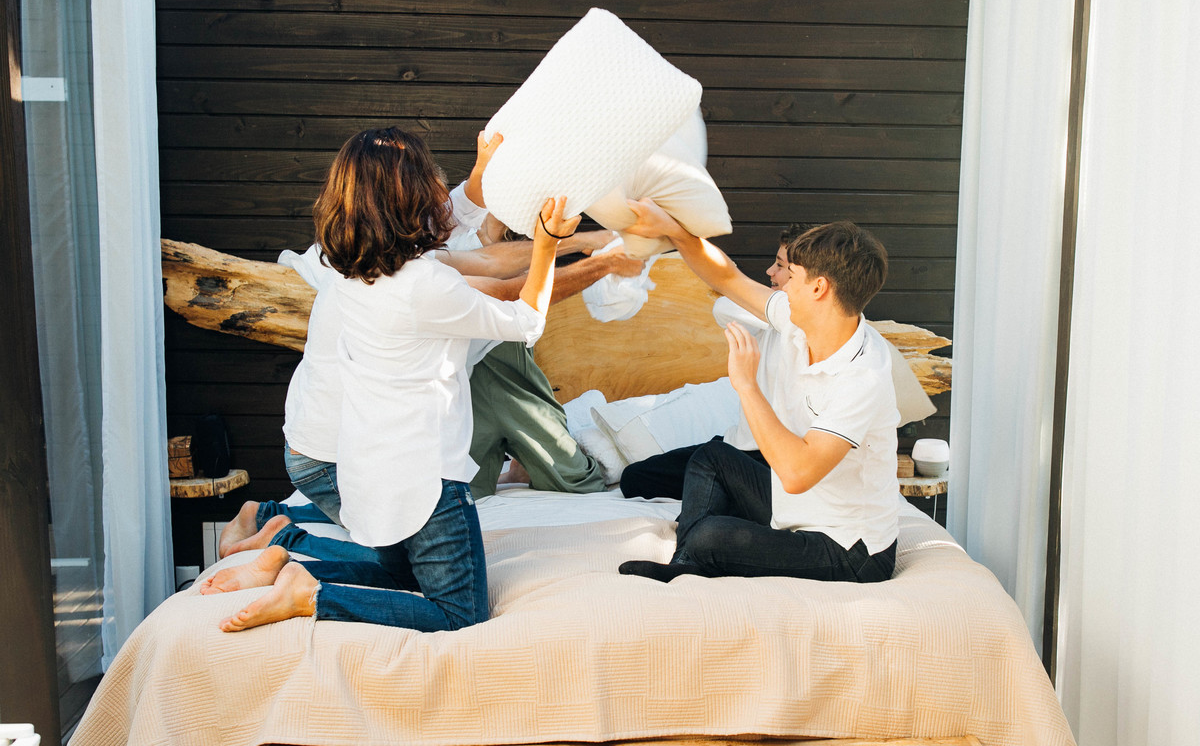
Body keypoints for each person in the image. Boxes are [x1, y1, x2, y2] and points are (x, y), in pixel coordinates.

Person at [201, 126, 579, 633]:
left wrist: (483, 173)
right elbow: (527, 320)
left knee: (400, 577)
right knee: (459, 616)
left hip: (368, 468)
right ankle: (311, 595)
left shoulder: (344, 267)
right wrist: (549, 245)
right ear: (415, 199)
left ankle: (288, 566)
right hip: (426, 478)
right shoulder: (429, 283)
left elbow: (454, 219)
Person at [617, 202, 901, 584]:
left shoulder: (862, 376)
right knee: (712, 457)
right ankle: (685, 563)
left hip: (848, 547)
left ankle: (697, 552)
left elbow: (797, 474)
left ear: (819, 288)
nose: (783, 286)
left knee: (710, 536)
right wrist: (674, 230)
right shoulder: (801, 321)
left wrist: (746, 384)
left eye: (792, 276)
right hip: (797, 507)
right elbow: (727, 278)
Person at [618, 222, 810, 501]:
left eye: (780, 266)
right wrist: (774, 307)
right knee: (634, 478)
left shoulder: (810, 331)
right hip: (734, 448)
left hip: (770, 460)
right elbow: (722, 307)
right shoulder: (770, 320)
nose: (770, 271)